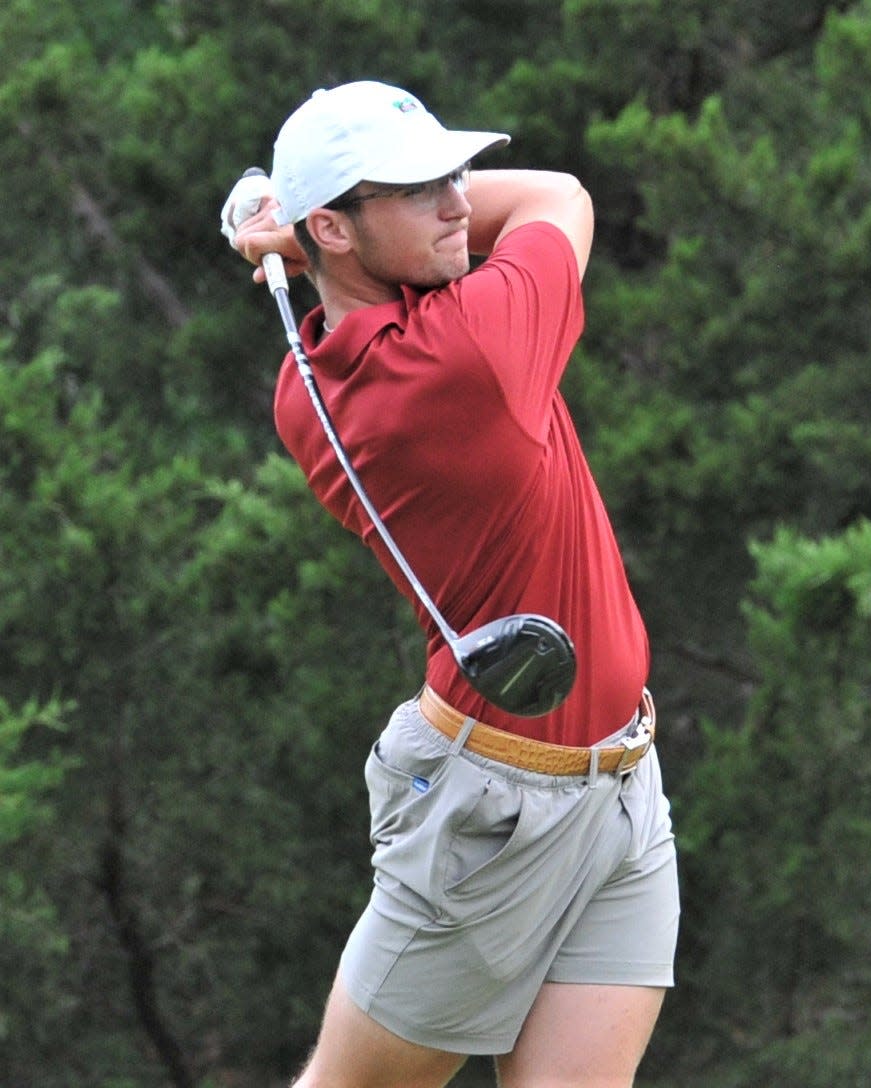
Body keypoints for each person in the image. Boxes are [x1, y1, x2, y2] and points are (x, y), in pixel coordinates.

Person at [222, 79, 680, 1088]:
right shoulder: (470, 350)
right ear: (337, 226)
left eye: (453, 172)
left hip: (618, 784)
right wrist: (288, 236)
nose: (458, 201)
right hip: (495, 811)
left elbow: (426, 244)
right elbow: (558, 195)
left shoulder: (308, 386)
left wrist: (302, 237)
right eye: (419, 188)